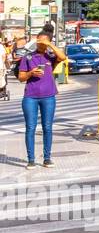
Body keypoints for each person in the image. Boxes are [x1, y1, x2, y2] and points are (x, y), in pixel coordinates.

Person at [19, 26, 65, 170]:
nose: (40, 44)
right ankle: (31, 159)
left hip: (48, 97)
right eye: (39, 41)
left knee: (47, 127)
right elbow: (21, 77)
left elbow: (63, 57)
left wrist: (49, 45)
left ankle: (47, 158)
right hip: (30, 97)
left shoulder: (51, 56)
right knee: (30, 128)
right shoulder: (28, 57)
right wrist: (31, 73)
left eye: (43, 42)